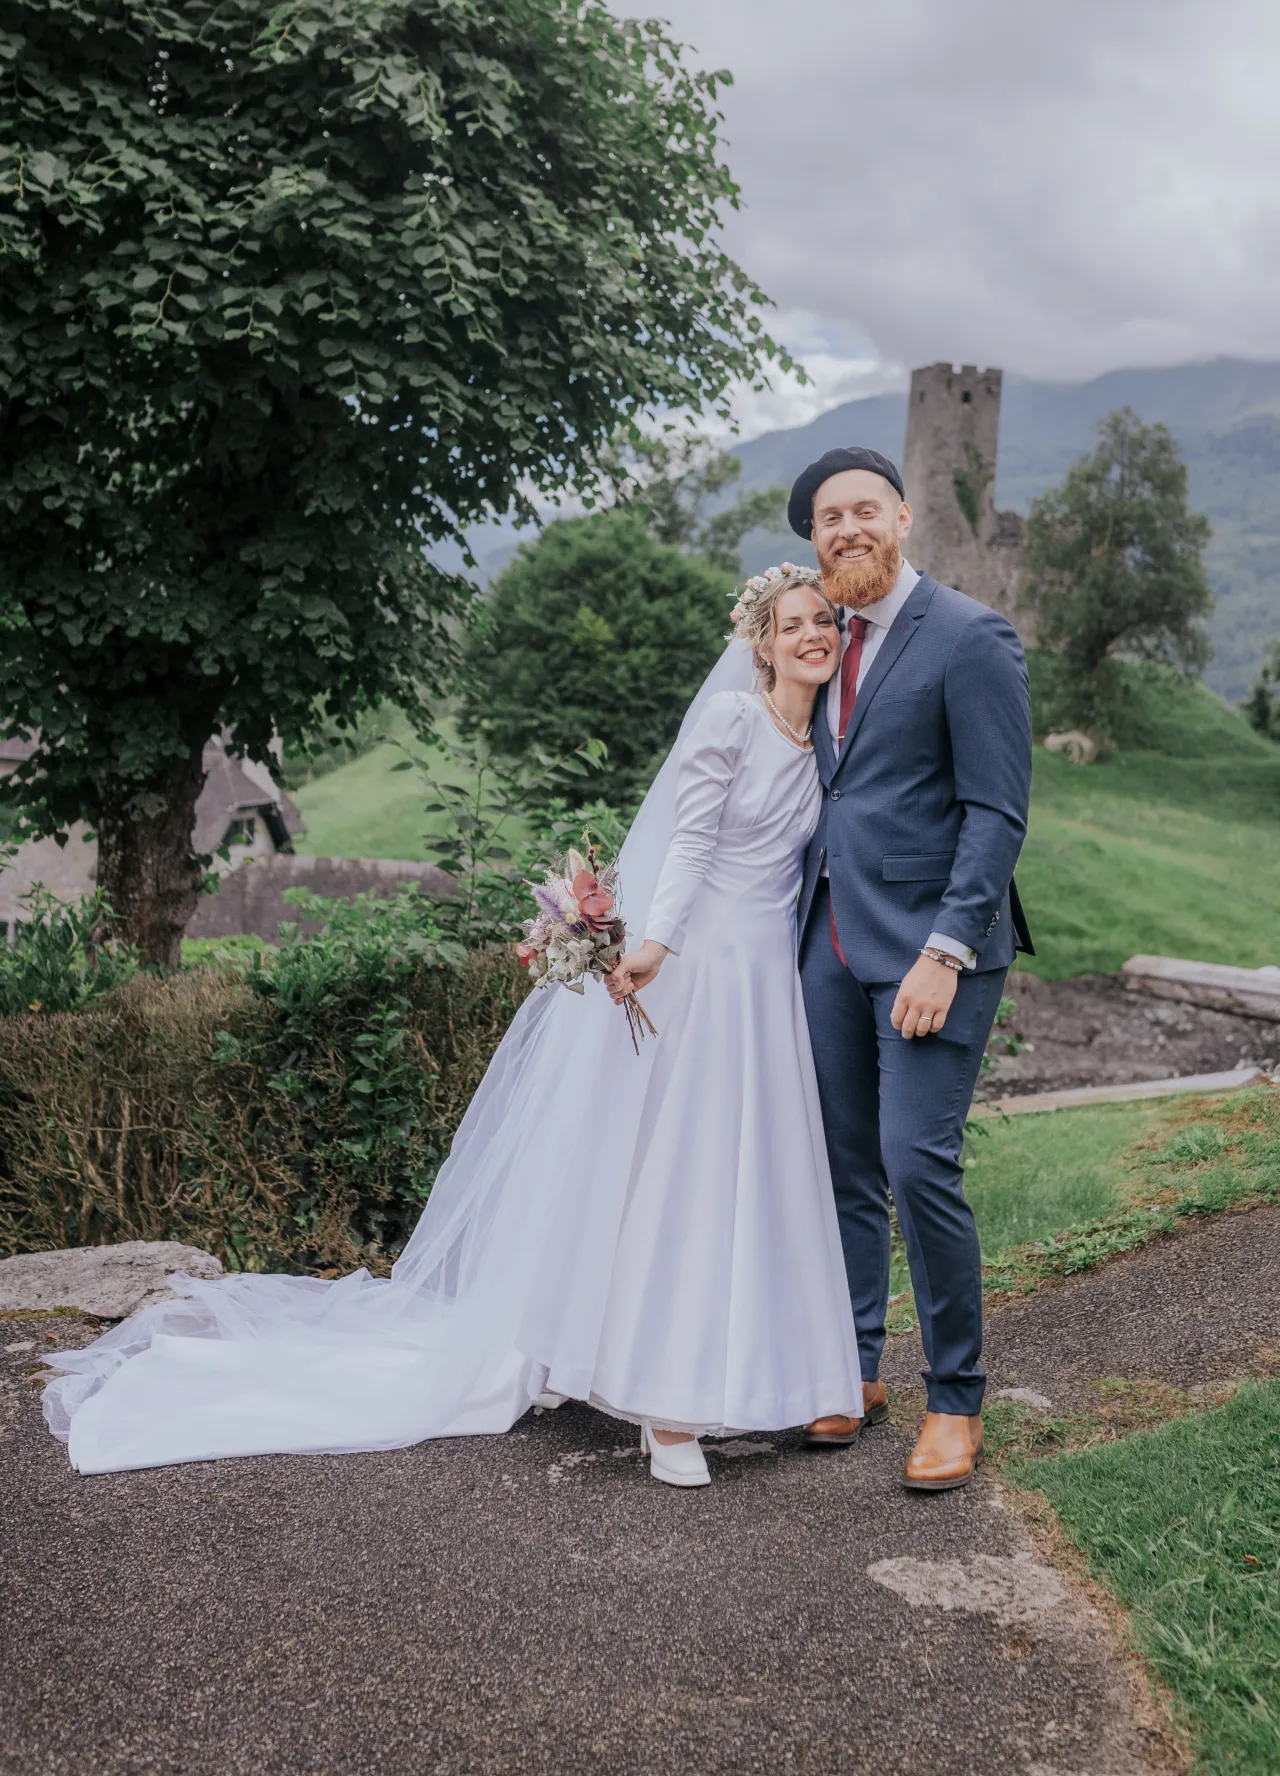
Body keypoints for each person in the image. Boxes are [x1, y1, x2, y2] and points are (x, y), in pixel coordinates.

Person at [43, 571, 864, 1488]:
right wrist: (657, 948)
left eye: (823, 623)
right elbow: (691, 843)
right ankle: (667, 1410)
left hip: (767, 984)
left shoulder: (826, 734)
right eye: (793, 625)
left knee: (755, 1176)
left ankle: (763, 1372)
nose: (812, 637)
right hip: (701, 970)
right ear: (760, 642)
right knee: (684, 1176)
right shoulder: (732, 722)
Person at [789, 446, 1033, 1491]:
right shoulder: (813, 639)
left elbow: (995, 813)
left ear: (900, 519)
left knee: (914, 1164)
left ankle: (953, 1399)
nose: (843, 528)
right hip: (826, 945)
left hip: (932, 951)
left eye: (861, 510)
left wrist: (945, 949)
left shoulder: (969, 637)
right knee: (839, 1166)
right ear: (813, 539)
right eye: (825, 518)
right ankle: (851, 1369)